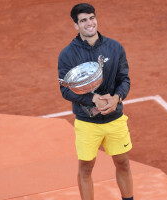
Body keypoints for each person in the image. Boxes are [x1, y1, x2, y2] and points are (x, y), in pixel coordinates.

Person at [58, 3, 133, 200]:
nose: (89, 23)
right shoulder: (67, 54)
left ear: (96, 19)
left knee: (123, 162)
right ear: (76, 25)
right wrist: (93, 99)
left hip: (115, 118)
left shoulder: (115, 48)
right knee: (85, 168)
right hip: (87, 122)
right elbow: (65, 91)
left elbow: (124, 79)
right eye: (83, 20)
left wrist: (116, 98)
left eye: (91, 18)